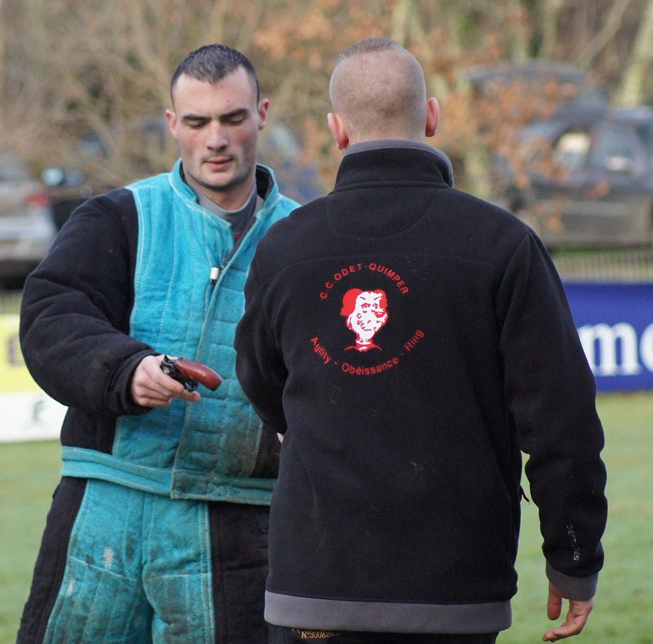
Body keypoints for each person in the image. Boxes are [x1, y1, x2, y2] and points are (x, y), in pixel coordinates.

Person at [234, 38, 607, 644]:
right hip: (455, 595)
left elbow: (262, 383)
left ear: (336, 130)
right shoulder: (503, 244)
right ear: (431, 116)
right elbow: (560, 420)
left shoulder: (282, 250)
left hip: (315, 593)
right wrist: (574, 556)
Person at [16, 44, 301, 643]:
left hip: (239, 524)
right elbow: (50, 317)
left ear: (263, 114)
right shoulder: (116, 217)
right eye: (197, 123)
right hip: (105, 509)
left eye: (233, 118)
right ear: (173, 124)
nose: (215, 139)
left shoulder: (305, 239)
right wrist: (127, 369)